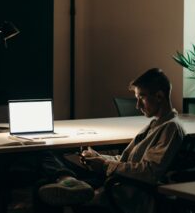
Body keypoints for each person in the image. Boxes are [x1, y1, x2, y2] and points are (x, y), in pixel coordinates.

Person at [35, 68, 186, 212]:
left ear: (159, 96)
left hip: (120, 189)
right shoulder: (155, 124)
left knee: (43, 184)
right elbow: (127, 160)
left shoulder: (171, 128)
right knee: (47, 153)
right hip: (115, 179)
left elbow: (149, 172)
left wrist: (105, 165)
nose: (137, 105)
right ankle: (66, 178)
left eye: (142, 98)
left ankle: (67, 180)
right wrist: (98, 158)